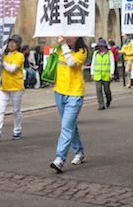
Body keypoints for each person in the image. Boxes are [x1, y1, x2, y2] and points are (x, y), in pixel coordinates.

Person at [49, 36, 88, 173]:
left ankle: (59, 159)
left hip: (75, 93)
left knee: (66, 126)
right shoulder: (59, 48)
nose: (68, 37)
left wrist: (64, 45)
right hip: (59, 91)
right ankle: (80, 152)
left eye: (71, 35)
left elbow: (72, 63)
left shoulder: (82, 51)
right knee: (71, 125)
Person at [0, 34, 25, 141]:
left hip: (16, 87)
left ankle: (17, 130)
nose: (11, 44)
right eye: (10, 42)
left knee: (16, 110)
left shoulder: (19, 56)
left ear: (18, 45)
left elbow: (12, 69)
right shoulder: (3, 54)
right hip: (3, 87)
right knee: (0, 109)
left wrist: (1, 61)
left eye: (14, 42)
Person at [91, 38, 114, 110]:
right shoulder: (95, 53)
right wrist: (92, 73)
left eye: (102, 46)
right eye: (99, 46)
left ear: (104, 46)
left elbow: (112, 63)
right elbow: (93, 63)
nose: (100, 47)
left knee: (107, 90)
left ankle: (109, 99)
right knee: (98, 90)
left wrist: (112, 73)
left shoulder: (109, 53)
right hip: (97, 75)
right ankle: (101, 105)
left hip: (106, 75)